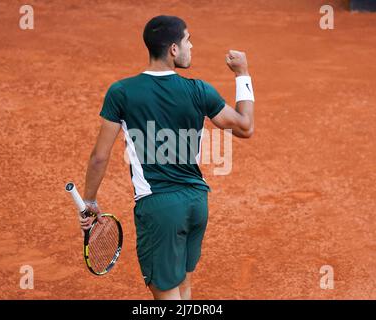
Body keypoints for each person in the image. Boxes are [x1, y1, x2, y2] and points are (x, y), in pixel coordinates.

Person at [78, 15, 254, 300]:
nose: (191, 46)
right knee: (183, 285)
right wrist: (242, 73)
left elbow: (100, 156)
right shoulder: (199, 90)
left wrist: (90, 201)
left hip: (159, 210)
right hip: (196, 203)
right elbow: (245, 127)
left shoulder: (121, 92)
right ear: (173, 49)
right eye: (188, 40)